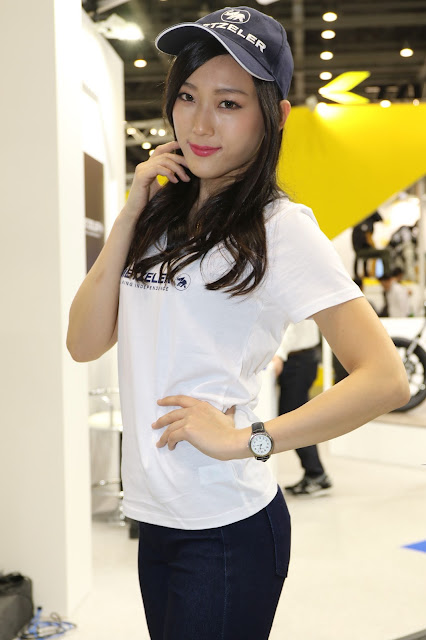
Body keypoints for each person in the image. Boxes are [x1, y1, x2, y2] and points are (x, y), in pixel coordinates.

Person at [66, 7, 410, 640]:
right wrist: (130, 213)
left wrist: (248, 439)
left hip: (224, 527)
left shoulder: (281, 228)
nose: (199, 123)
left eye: (229, 103)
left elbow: (386, 378)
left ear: (274, 117)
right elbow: (83, 342)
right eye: (188, 96)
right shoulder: (156, 218)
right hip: (157, 519)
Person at [272, 320, 332, 495]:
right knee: (294, 418)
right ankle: (314, 472)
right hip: (301, 359)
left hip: (298, 360)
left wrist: (279, 355)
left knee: (294, 420)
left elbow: (288, 324)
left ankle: (316, 474)